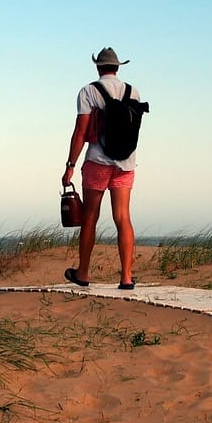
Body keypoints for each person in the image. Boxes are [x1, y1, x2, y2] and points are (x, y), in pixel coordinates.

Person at [61, 47, 143, 290]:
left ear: (98, 67)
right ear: (117, 67)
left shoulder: (88, 91)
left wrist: (70, 165)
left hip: (97, 161)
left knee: (90, 217)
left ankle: (83, 273)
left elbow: (81, 131)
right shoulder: (133, 91)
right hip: (126, 163)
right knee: (123, 217)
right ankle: (126, 276)